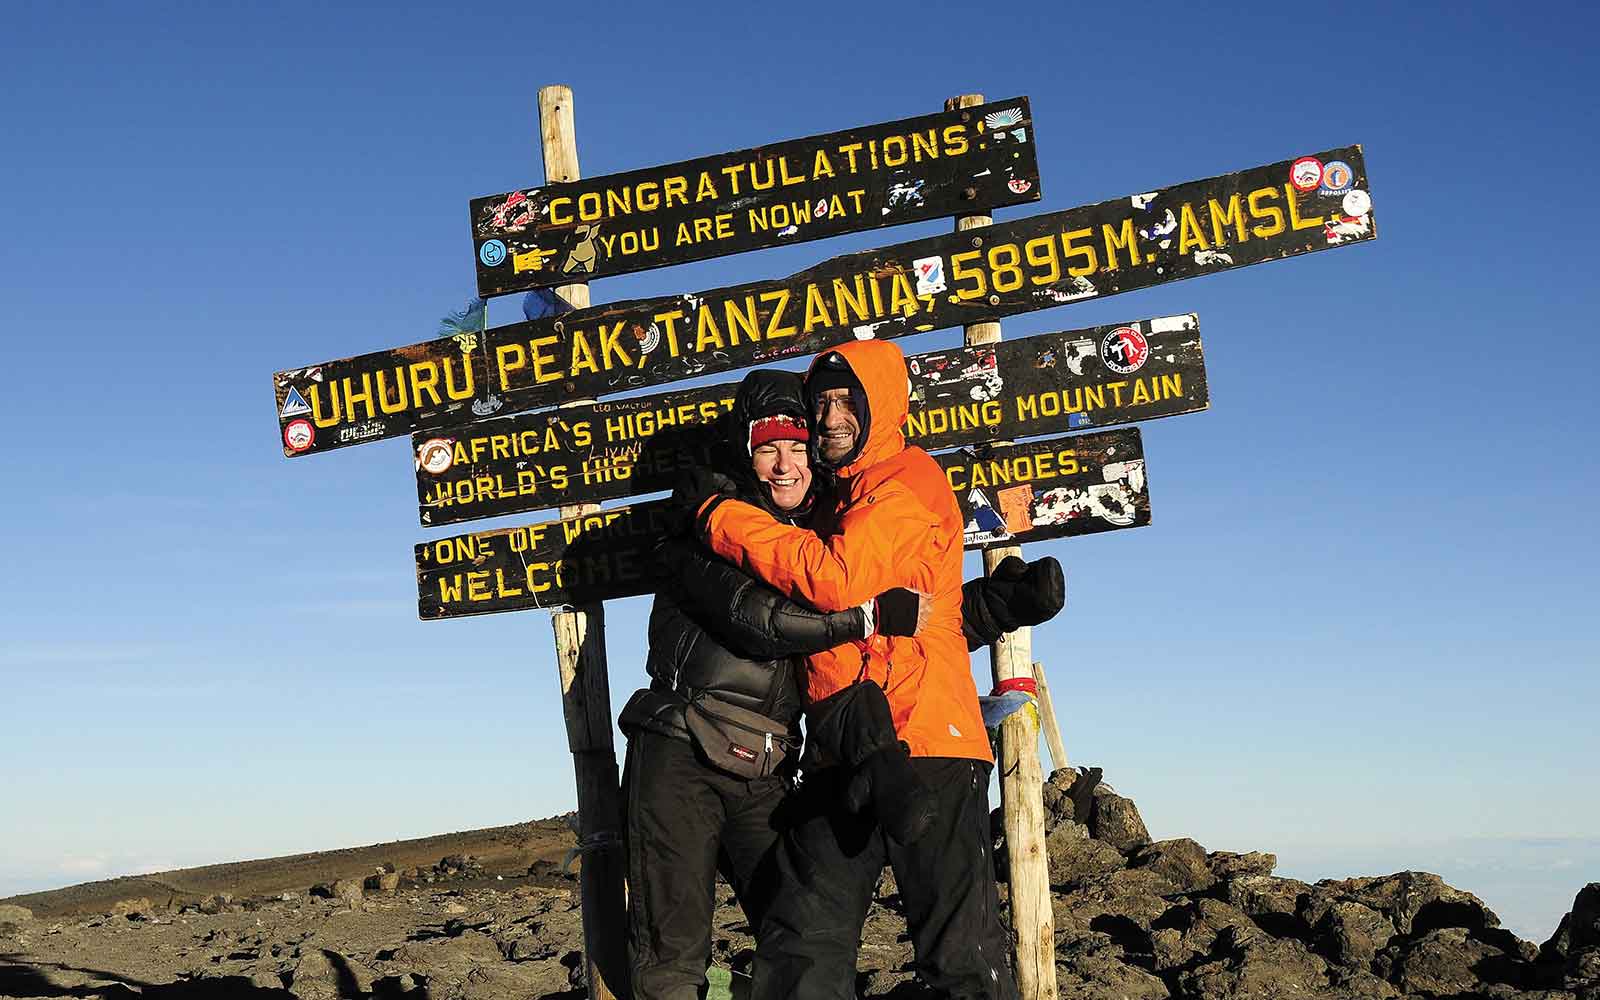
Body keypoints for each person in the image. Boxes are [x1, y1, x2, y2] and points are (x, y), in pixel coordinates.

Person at [623, 367, 1061, 1000]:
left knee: (800, 931)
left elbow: (889, 631)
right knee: (689, 952)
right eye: (769, 447)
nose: (786, 463)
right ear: (745, 452)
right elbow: (768, 623)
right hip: (686, 748)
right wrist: (875, 612)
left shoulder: (832, 522)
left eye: (798, 447)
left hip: (783, 763)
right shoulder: (708, 526)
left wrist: (989, 607)